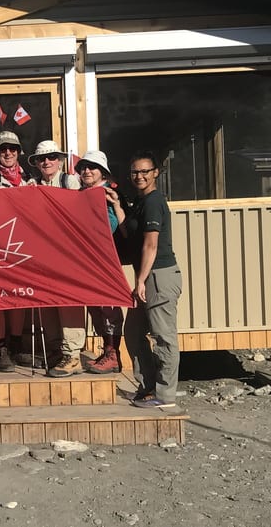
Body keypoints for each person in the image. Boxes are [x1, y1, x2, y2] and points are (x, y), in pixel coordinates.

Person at [121, 150, 183, 408]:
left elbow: (150, 245)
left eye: (145, 171)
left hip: (159, 276)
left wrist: (141, 280)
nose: (139, 176)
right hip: (146, 276)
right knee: (133, 333)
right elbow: (130, 234)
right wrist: (116, 205)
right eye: (135, 172)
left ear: (156, 172)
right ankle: (148, 385)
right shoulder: (141, 202)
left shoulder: (155, 201)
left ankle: (165, 396)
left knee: (163, 336)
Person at [27, 140, 86, 378]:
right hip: (43, 253)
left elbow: (77, 212)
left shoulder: (69, 181)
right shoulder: (32, 185)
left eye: (51, 157)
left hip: (67, 252)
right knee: (47, 302)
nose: (47, 162)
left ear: (60, 160)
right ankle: (54, 350)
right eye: (42, 158)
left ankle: (72, 354)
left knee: (69, 302)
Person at [0, 130, 33, 371]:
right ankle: (1, 347)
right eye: (3, 149)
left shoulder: (30, 176)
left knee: (20, 297)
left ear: (19, 152)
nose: (8, 153)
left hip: (23, 244)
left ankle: (16, 343)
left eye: (13, 149)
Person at [74, 150, 126, 374]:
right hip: (87, 260)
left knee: (109, 307)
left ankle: (114, 354)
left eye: (92, 167)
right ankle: (107, 351)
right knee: (95, 307)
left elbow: (112, 226)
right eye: (83, 167)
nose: (86, 171)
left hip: (105, 260)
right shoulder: (80, 194)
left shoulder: (109, 194)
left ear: (102, 172)